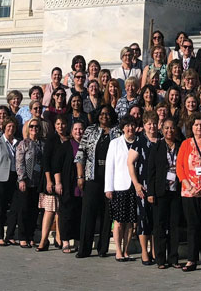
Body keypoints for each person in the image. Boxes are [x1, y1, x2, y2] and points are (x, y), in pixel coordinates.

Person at [75, 105, 120, 258]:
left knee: (107, 214)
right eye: (102, 114)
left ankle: (102, 249)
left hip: (110, 179)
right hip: (92, 176)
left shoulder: (117, 131)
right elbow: (80, 154)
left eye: (108, 114)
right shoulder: (90, 130)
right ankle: (84, 249)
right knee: (88, 213)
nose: (105, 116)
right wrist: (80, 176)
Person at [178, 112, 201, 271]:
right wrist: (191, 187)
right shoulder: (185, 144)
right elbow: (180, 168)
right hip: (189, 192)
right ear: (191, 127)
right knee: (192, 226)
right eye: (195, 125)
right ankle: (191, 259)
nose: (199, 127)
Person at [148, 118, 183, 269]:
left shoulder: (181, 146)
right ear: (162, 130)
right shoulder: (157, 147)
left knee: (174, 225)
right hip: (160, 191)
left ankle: (173, 258)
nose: (169, 131)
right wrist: (150, 192)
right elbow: (151, 171)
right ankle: (160, 259)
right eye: (166, 128)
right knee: (160, 225)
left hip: (176, 190)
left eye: (172, 128)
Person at [104, 115, 138, 261]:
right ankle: (118, 250)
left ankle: (126, 250)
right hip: (119, 186)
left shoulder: (139, 142)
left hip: (135, 186)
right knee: (118, 221)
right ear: (123, 128)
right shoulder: (115, 143)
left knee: (130, 221)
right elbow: (109, 166)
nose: (130, 128)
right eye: (127, 126)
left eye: (132, 125)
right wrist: (108, 188)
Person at [128, 111, 160, 265]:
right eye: (149, 123)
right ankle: (144, 251)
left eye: (154, 123)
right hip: (143, 187)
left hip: (159, 187)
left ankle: (155, 250)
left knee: (156, 220)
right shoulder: (139, 141)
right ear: (144, 125)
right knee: (143, 220)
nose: (152, 126)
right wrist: (136, 184)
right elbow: (130, 163)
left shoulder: (161, 141)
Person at [15, 117, 47, 248]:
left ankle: (31, 235)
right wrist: (21, 179)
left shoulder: (42, 144)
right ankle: (23, 236)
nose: (34, 129)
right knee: (24, 210)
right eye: (32, 126)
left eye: (37, 127)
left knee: (34, 211)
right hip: (26, 181)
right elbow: (19, 162)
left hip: (37, 181)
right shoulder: (24, 143)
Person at [52, 117, 82, 253]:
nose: (78, 132)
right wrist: (57, 183)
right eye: (75, 129)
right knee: (66, 214)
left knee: (78, 214)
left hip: (81, 187)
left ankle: (77, 240)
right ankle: (65, 241)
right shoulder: (66, 145)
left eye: (81, 129)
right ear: (71, 131)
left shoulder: (86, 145)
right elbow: (56, 166)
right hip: (67, 185)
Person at [0, 118, 19, 246]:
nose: (11, 129)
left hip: (14, 178)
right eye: (8, 127)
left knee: (14, 208)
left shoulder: (18, 143)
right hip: (1, 179)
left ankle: (10, 235)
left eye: (13, 127)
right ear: (4, 128)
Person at [38, 115, 65, 251]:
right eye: (58, 124)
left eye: (63, 124)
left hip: (64, 180)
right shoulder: (51, 140)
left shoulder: (67, 140)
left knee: (60, 210)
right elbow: (46, 161)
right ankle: (43, 240)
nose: (61, 126)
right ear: (55, 126)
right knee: (49, 210)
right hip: (51, 179)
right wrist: (49, 180)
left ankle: (59, 238)